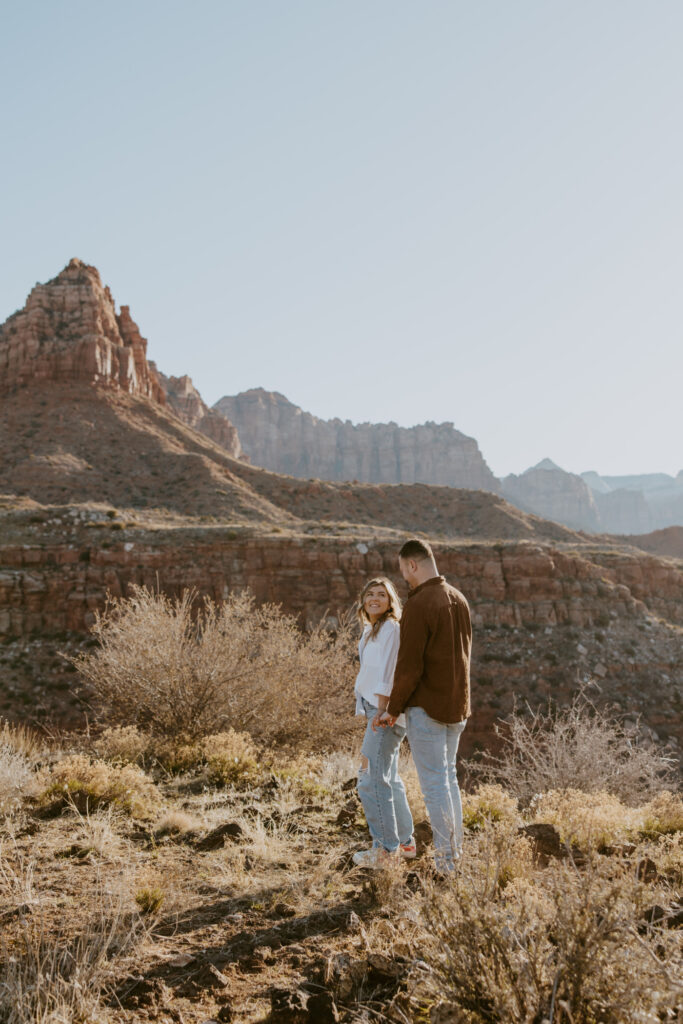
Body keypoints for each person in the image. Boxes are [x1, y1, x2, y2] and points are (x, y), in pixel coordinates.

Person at [373, 539, 472, 873]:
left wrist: (393, 708)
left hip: (428, 708)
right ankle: (455, 856)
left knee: (434, 786)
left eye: (404, 571)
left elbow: (409, 665)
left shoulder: (419, 603)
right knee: (449, 780)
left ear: (412, 565)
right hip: (457, 705)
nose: (405, 579)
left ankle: (447, 863)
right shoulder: (458, 598)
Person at [352, 576, 416, 868]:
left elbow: (389, 671)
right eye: (370, 594)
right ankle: (404, 843)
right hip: (377, 709)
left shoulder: (390, 627)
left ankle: (385, 851)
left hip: (385, 711)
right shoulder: (371, 629)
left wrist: (381, 709)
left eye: (382, 594)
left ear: (391, 602)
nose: (374, 598)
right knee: (387, 777)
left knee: (370, 780)